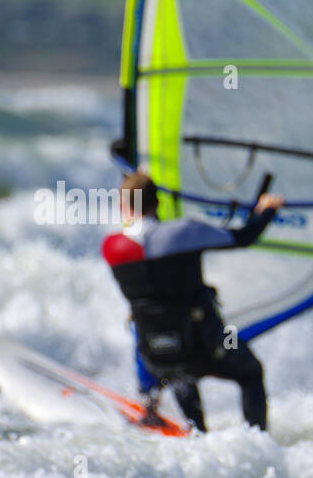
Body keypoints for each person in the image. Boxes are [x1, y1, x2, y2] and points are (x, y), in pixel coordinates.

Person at [102, 171, 283, 432]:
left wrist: (137, 186)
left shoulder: (111, 248)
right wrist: (266, 210)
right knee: (251, 373)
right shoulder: (185, 232)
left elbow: (143, 241)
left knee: (172, 362)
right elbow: (244, 237)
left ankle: (181, 422)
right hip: (205, 348)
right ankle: (258, 441)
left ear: (121, 206)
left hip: (156, 356)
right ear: (158, 204)